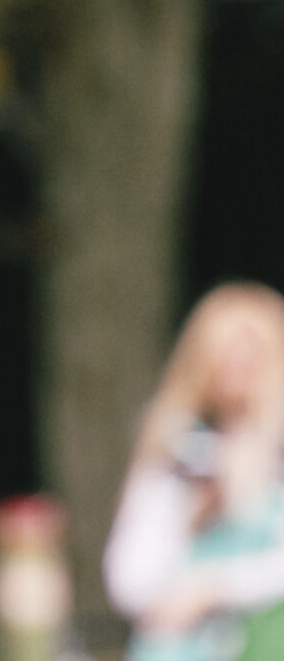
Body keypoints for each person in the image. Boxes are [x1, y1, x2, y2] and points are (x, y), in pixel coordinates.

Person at [106, 282, 284, 661]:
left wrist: (216, 588)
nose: (237, 372)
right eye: (225, 358)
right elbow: (127, 576)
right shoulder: (179, 451)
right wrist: (190, 515)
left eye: (250, 360)